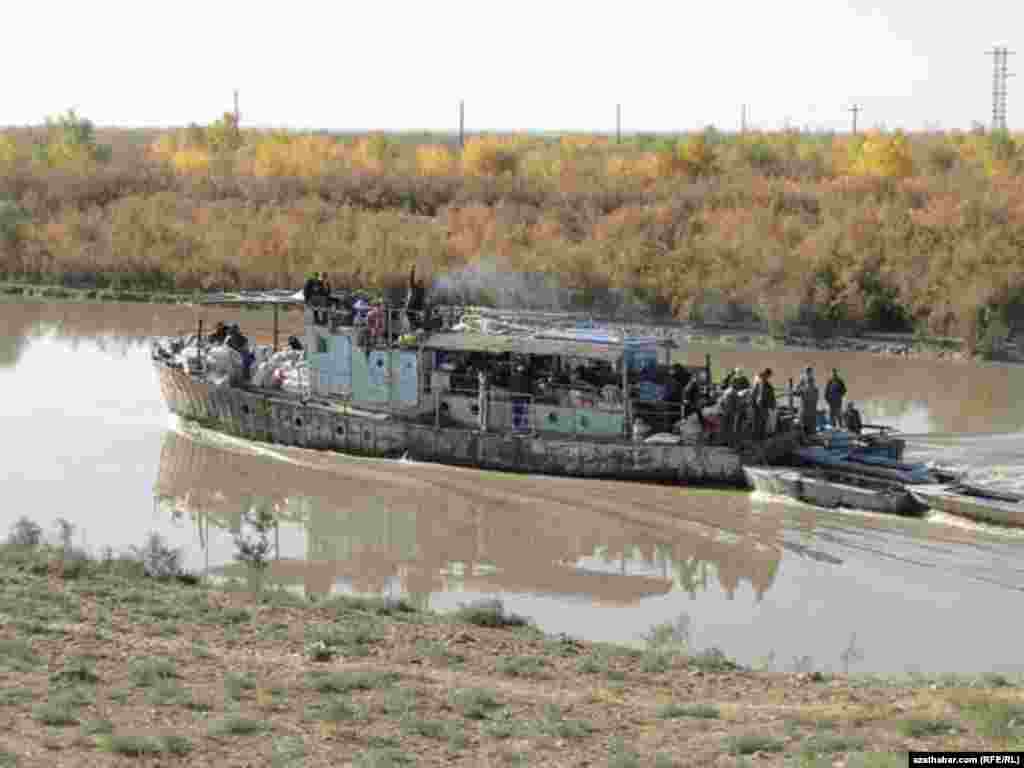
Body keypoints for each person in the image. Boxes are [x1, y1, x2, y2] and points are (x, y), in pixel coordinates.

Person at [795, 366, 819, 436]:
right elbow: (797, 389)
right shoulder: (803, 379)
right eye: (808, 371)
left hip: (811, 404)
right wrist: (802, 390)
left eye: (810, 371)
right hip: (805, 403)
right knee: (804, 418)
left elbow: (815, 391)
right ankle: (805, 433)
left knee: (811, 419)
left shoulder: (812, 380)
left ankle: (811, 432)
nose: (809, 372)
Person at [757, 368, 777, 438]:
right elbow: (762, 395)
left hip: (765, 404)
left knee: (765, 421)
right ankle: (763, 435)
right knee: (764, 421)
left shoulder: (763, 382)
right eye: (769, 375)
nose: (770, 377)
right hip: (764, 405)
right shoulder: (762, 382)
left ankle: (764, 435)